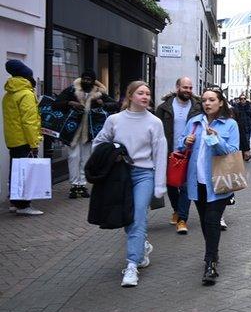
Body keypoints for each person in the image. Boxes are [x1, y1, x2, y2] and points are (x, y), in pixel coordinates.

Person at [92, 81, 168, 288]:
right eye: (141, 93)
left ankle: (132, 265)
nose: (145, 97)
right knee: (127, 216)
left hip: (144, 174)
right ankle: (141, 248)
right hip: (120, 175)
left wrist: (160, 185)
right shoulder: (114, 120)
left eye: (148, 94)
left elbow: (160, 155)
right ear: (130, 95)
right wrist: (112, 153)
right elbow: (98, 143)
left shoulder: (154, 122)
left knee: (138, 217)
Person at [176, 88, 240, 286]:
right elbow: (180, 146)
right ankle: (213, 252)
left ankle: (210, 262)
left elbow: (233, 152)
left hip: (218, 183)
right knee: (205, 222)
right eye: (204, 100)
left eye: (212, 100)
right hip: (197, 183)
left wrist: (215, 140)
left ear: (220, 102)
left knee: (212, 221)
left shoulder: (230, 124)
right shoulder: (194, 122)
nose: (207, 103)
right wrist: (184, 142)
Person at [56, 69, 115, 199]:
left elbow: (114, 104)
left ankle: (82, 185)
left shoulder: (99, 93)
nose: (86, 81)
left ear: (93, 81)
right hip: (72, 130)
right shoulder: (72, 90)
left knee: (86, 158)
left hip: (89, 131)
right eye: (84, 78)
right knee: (73, 157)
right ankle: (74, 185)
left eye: (89, 79)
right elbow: (57, 103)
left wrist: (103, 103)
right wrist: (70, 103)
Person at [155, 77, 202, 234]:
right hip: (169, 153)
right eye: (185, 87)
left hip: (190, 153)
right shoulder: (164, 108)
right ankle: (176, 209)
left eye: (190, 87)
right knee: (171, 185)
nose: (188, 90)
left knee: (186, 186)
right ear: (177, 88)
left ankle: (182, 219)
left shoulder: (198, 107)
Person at [3, 60, 43, 216]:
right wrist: (34, 143)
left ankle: (15, 202)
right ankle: (24, 205)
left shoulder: (8, 94)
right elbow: (29, 121)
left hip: (13, 139)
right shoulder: (26, 94)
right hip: (24, 140)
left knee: (15, 171)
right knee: (24, 173)